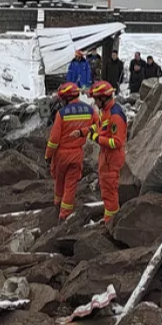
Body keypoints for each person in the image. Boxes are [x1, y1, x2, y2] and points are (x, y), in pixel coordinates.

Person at [75, 81, 127, 222]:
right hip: (106, 157)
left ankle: (111, 223)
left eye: (96, 100)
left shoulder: (115, 115)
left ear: (103, 98)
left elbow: (117, 142)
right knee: (106, 191)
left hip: (112, 159)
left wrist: (98, 139)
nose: (95, 103)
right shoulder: (106, 112)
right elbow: (97, 127)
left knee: (110, 193)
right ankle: (110, 219)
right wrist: (82, 132)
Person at [45, 82, 96, 220]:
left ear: (66, 98)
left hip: (61, 154)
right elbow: (98, 125)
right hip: (77, 153)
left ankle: (58, 205)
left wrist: (48, 155)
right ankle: (65, 214)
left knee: (59, 180)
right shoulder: (89, 110)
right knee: (71, 184)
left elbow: (54, 139)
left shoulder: (61, 114)